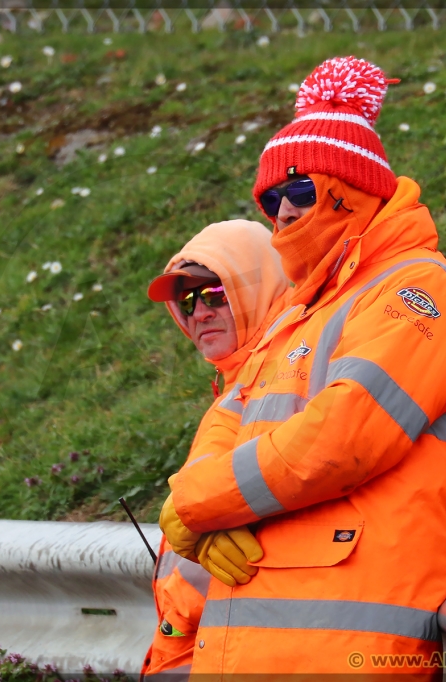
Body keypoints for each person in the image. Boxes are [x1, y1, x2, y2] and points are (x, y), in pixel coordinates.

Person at [158, 56, 446, 677]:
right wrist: (196, 508)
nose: (283, 213)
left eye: (300, 190)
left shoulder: (419, 293)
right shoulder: (302, 314)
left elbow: (342, 439)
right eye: (270, 197)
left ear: (351, 192)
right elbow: (226, 422)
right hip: (243, 651)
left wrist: (196, 505)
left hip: (342, 654)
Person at [139, 219, 289, 679]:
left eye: (214, 293)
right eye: (187, 301)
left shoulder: (286, 380)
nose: (199, 312)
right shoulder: (238, 387)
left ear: (261, 284)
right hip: (201, 643)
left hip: (234, 643)